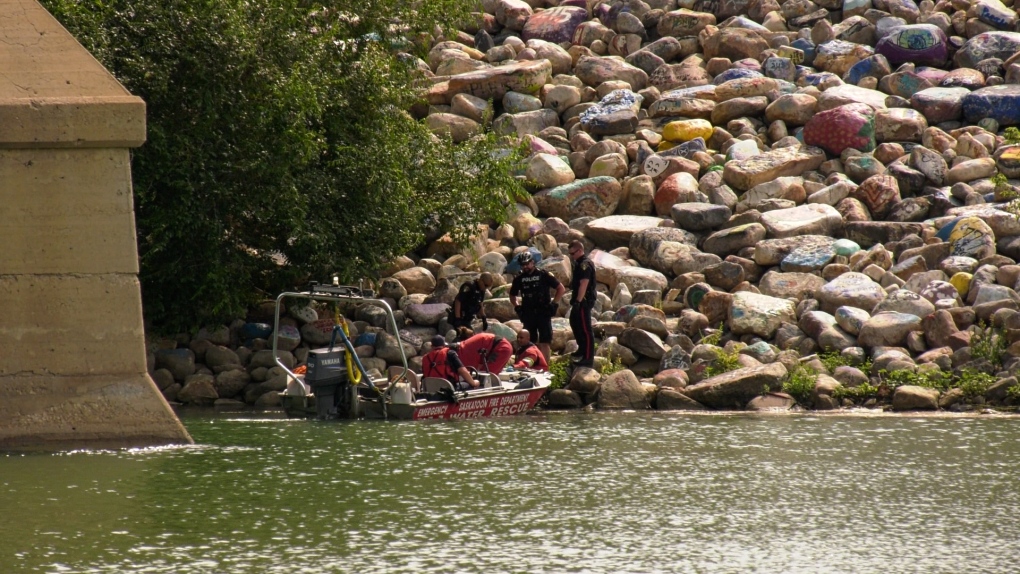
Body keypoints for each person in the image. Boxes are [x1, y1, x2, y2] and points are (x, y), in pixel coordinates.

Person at [509, 251, 564, 364]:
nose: (525, 267)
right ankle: (531, 365)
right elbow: (512, 295)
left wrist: (554, 304)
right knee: (529, 342)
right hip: (528, 313)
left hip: (543, 312)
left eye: (527, 264)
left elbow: (561, 288)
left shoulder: (543, 275)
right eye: (523, 265)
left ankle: (544, 366)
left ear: (533, 262)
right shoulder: (519, 278)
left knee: (545, 341)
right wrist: (517, 307)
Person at [568, 240, 596, 367]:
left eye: (573, 253)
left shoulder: (585, 264)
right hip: (578, 299)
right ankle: (582, 349)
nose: (571, 256)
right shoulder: (578, 263)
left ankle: (588, 357)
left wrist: (579, 301)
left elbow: (584, 283)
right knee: (574, 321)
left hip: (584, 300)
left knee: (585, 328)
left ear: (580, 251)